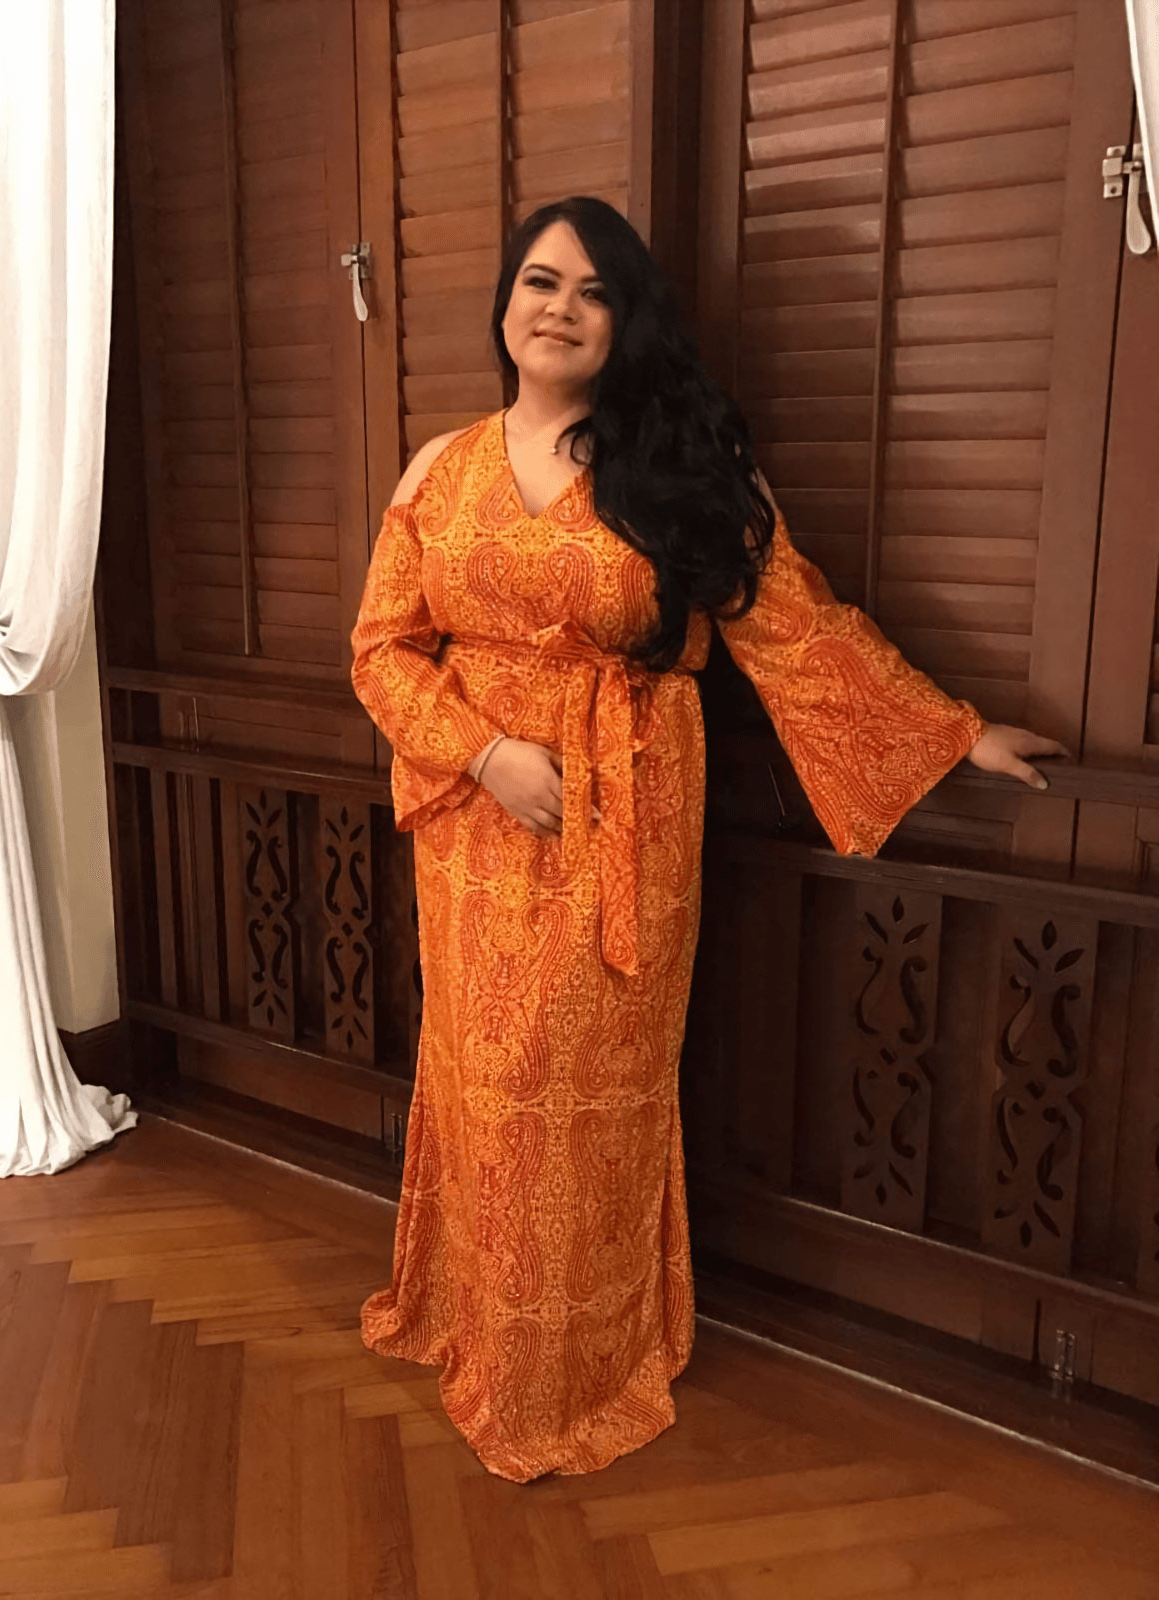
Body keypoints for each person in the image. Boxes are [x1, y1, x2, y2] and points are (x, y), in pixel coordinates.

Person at [349, 195, 1067, 1484]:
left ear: (627, 322)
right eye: (537, 281)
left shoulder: (675, 468)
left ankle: (574, 1366)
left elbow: (797, 627)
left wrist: (955, 735)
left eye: (591, 290)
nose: (557, 307)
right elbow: (383, 652)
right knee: (484, 1081)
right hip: (473, 831)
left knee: (582, 1101)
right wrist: (487, 755)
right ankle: (479, 1330)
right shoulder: (437, 470)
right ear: (504, 305)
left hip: (626, 817)